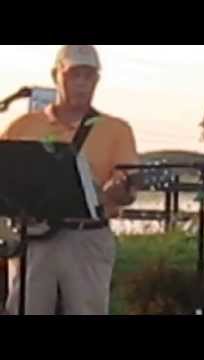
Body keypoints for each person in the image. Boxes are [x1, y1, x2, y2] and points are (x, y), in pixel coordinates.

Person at [1, 45, 140, 315]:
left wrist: (119, 191)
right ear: (56, 76)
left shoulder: (116, 129)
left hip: (87, 237)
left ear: (97, 81)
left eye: (89, 76)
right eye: (74, 75)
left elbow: (129, 187)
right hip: (34, 241)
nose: (81, 83)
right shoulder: (22, 126)